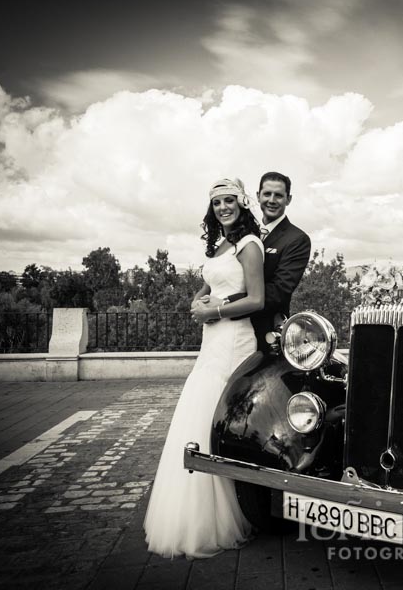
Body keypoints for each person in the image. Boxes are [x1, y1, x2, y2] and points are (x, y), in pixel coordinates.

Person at [144, 177, 265, 559]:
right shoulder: (218, 245)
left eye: (230, 201)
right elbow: (207, 284)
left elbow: (257, 299)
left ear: (242, 204)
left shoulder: (249, 245)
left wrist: (213, 310)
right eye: (217, 204)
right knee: (196, 413)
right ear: (211, 210)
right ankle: (193, 513)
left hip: (234, 340)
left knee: (217, 416)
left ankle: (227, 508)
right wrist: (198, 304)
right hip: (211, 341)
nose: (224, 208)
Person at [252, 171, 311, 352]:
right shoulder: (245, 233)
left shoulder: (297, 239)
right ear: (258, 196)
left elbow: (279, 291)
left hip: (266, 333)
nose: (271, 200)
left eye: (278, 195)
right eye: (267, 194)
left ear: (288, 199)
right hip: (229, 327)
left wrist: (226, 305)